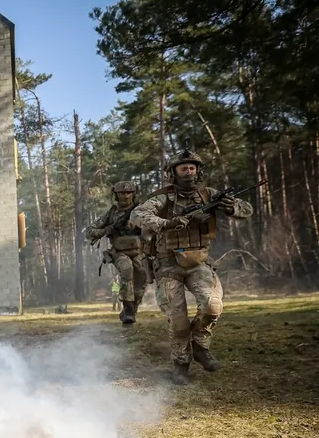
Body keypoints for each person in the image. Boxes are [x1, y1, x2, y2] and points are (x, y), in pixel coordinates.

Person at [130, 150, 253, 385]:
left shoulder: (209, 194)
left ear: (198, 170)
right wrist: (168, 223)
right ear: (173, 172)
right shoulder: (163, 198)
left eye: (192, 167)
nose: (188, 172)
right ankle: (181, 364)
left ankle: (200, 347)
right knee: (178, 321)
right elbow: (138, 214)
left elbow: (246, 209)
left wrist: (229, 208)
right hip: (167, 265)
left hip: (199, 262)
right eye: (183, 168)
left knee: (212, 306)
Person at [85, 181, 147, 325]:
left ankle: (132, 308)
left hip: (140, 251)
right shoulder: (111, 213)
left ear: (134, 193)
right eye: (122, 193)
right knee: (127, 270)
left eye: (129, 192)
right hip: (119, 252)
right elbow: (89, 231)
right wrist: (107, 230)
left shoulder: (141, 210)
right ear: (116, 195)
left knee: (142, 278)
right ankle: (129, 312)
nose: (126, 196)